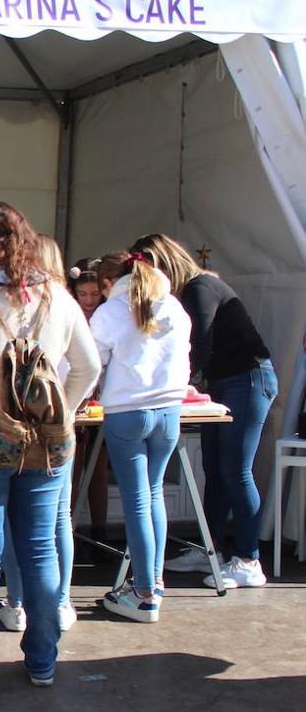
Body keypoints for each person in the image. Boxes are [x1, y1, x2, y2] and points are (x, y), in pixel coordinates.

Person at [0, 202, 99, 690]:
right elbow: (89, 366)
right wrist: (65, 410)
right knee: (41, 552)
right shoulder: (58, 297)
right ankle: (42, 661)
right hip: (47, 443)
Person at [135, 234, 279, 589]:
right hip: (225, 382)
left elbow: (200, 342)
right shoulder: (188, 292)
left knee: (236, 469)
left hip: (247, 379)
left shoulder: (200, 287)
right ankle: (209, 547)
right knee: (214, 468)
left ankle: (248, 559)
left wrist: (176, 384)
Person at [90, 252, 192, 621]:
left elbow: (90, 362)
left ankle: (145, 594)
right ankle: (155, 583)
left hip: (127, 412)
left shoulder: (111, 311)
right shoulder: (173, 307)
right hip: (169, 411)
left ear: (106, 284)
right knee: (153, 495)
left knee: (137, 503)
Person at [0, 234, 82, 633]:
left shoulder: (7, 302)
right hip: (53, 434)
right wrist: (65, 408)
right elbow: (90, 366)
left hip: (8, 430)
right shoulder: (64, 305)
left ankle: (17, 604)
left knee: (13, 530)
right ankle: (59, 605)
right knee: (52, 529)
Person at [68, 257, 111, 548]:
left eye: (94, 294)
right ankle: (68, 528)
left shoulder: (108, 316)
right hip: (79, 400)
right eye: (83, 294)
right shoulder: (72, 316)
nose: (89, 300)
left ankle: (100, 530)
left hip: (103, 401)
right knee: (75, 464)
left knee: (99, 468)